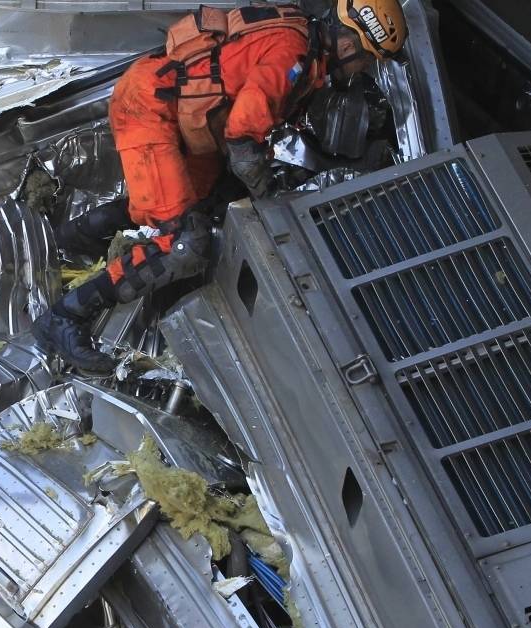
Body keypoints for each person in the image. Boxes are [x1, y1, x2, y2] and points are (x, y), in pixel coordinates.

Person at [34, 1, 407, 374]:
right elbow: (241, 138)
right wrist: (268, 198)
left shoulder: (300, 37)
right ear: (349, 45)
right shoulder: (292, 55)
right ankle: (66, 316)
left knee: (197, 201)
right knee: (185, 244)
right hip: (150, 109)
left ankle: (73, 238)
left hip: (171, 104)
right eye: (366, 60)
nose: (362, 70)